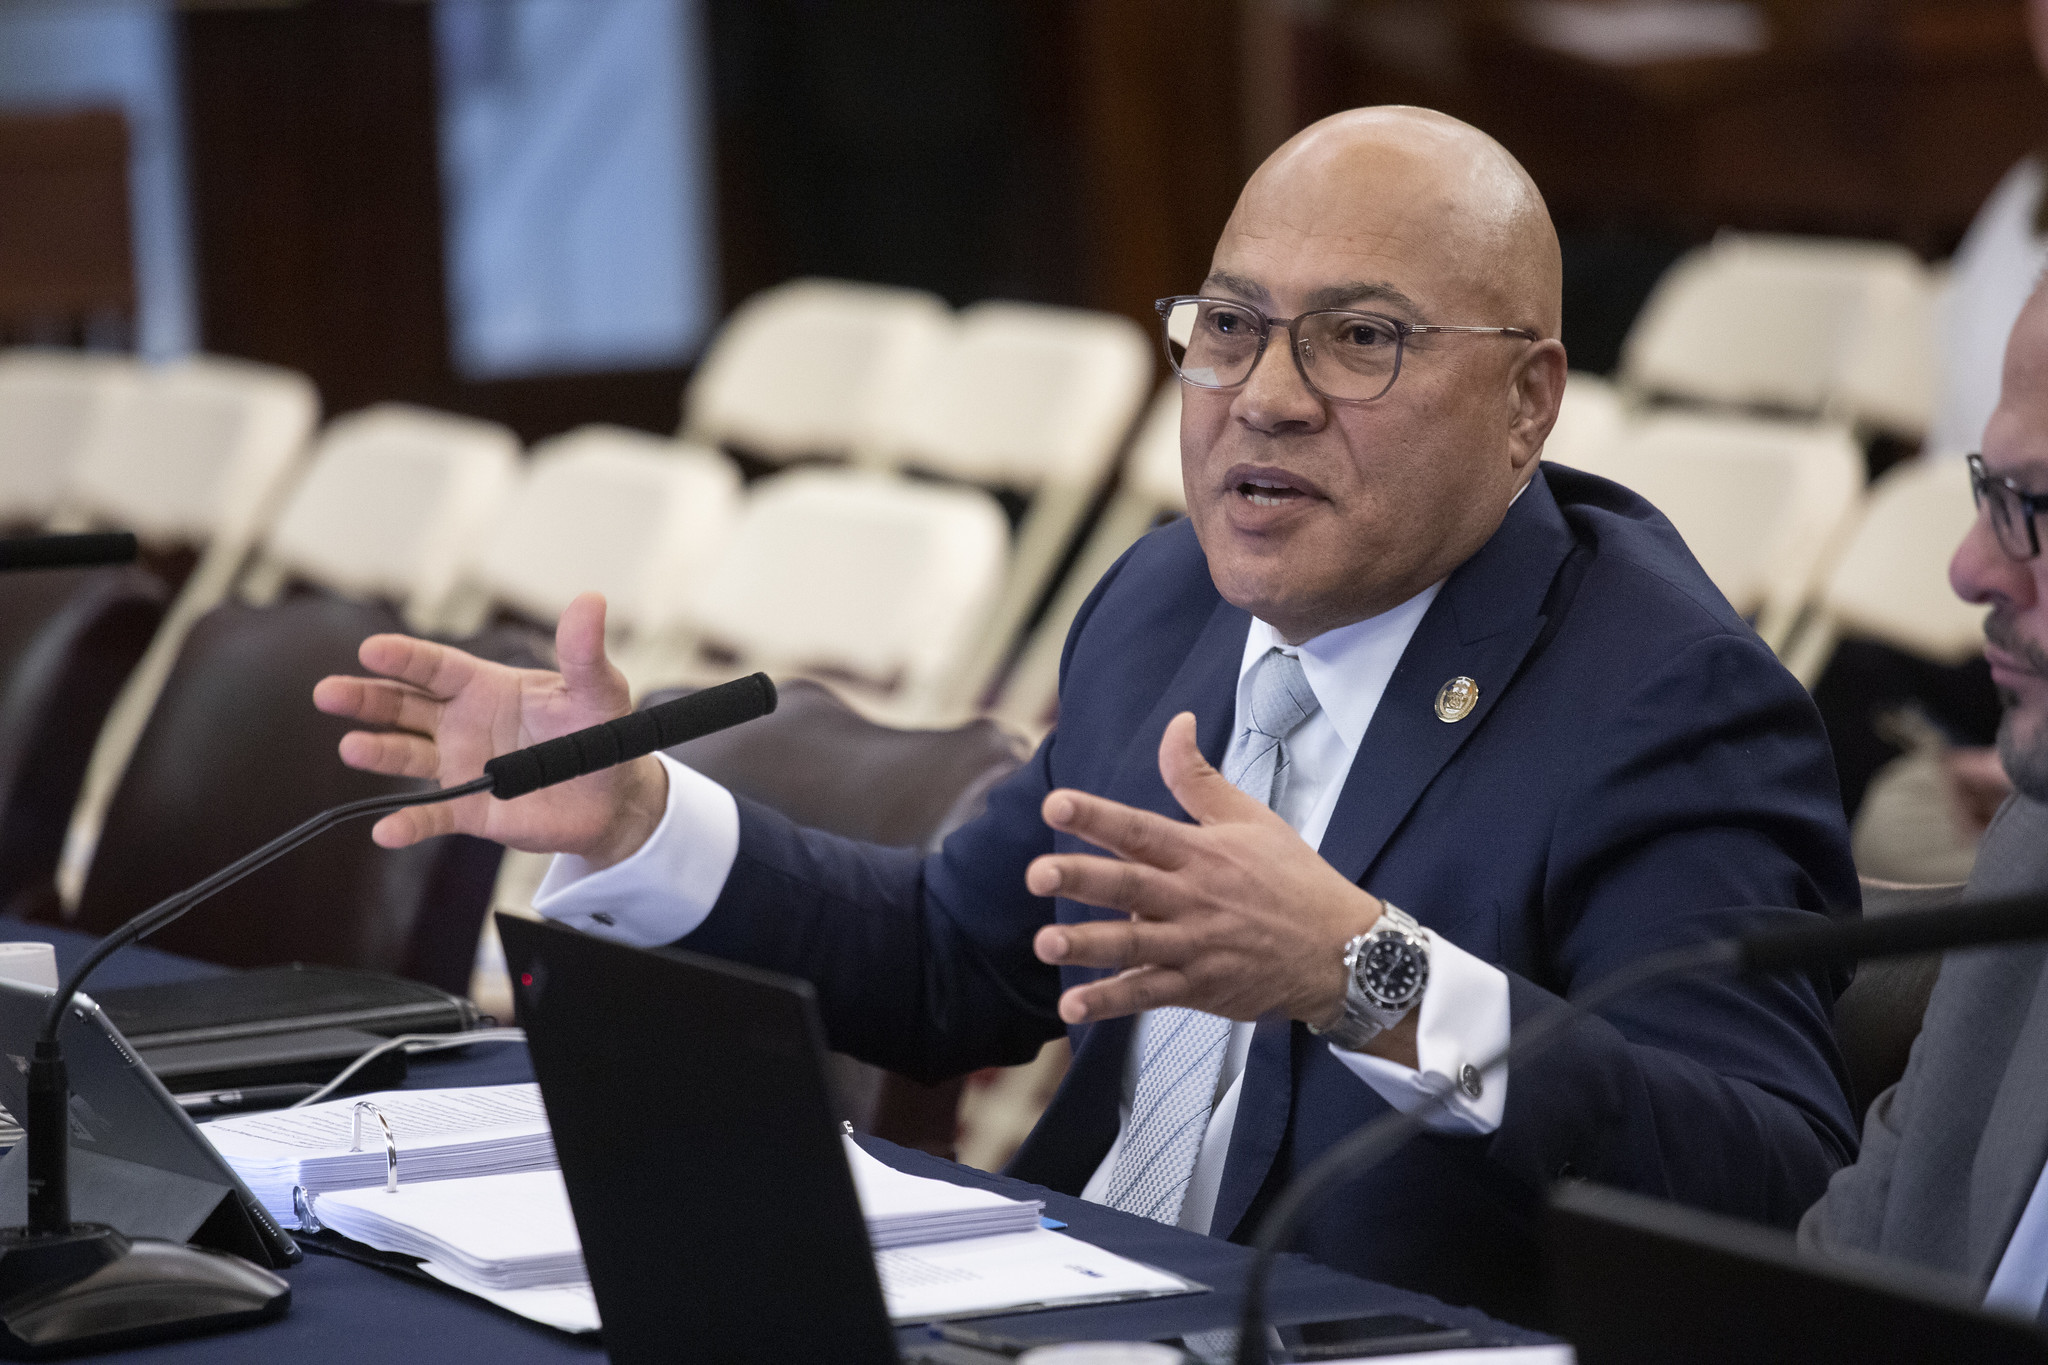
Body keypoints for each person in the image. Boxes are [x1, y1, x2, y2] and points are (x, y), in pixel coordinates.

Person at [316, 108, 1858, 1321]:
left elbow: (1765, 1182)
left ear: (1529, 400)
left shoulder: (1668, 701)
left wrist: (1364, 973)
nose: (1265, 394)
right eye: (1233, 325)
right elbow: (964, 960)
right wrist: (646, 816)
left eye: (1361, 337)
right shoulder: (1168, 599)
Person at [1800, 280, 2048, 1317]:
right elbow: (1838, 1291)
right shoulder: (2030, 844)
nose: (1969, 566)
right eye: (1982, 494)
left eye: (2031, 509)